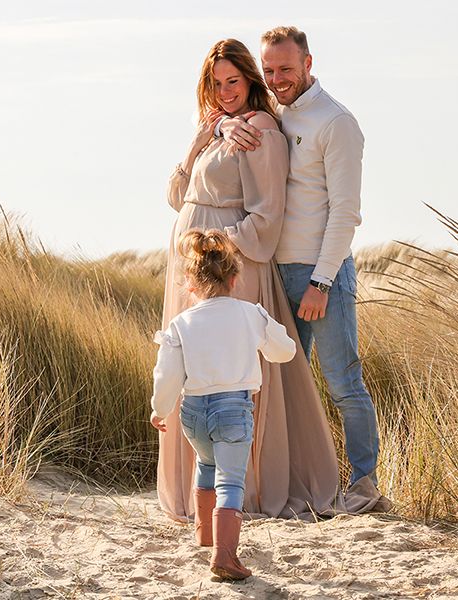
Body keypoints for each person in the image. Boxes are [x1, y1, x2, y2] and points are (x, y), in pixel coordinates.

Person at [158, 38, 377, 524]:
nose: (225, 90)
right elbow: (178, 196)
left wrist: (212, 246)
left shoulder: (294, 127)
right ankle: (211, 488)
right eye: (216, 83)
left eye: (234, 81)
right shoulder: (235, 124)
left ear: (304, 64)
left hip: (278, 267)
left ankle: (361, 484)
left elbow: (295, 215)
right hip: (204, 268)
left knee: (328, 381)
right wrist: (202, 138)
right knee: (218, 375)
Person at [218, 26, 383, 492]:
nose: (277, 79)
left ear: (308, 64)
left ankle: (365, 484)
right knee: (286, 387)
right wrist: (223, 123)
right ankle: (302, 483)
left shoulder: (336, 122)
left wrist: (322, 282)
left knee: (342, 381)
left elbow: (346, 213)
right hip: (273, 273)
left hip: (319, 276)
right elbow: (222, 113)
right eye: (268, 71)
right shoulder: (273, 114)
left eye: (286, 69)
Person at [150, 228, 297, 580]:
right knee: (231, 481)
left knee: (205, 462)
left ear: (191, 284)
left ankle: (205, 533)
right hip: (233, 409)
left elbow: (167, 373)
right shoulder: (251, 314)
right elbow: (284, 351)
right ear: (234, 279)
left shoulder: (181, 322)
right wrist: (263, 337)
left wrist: (159, 408)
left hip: (193, 412)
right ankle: (225, 557)